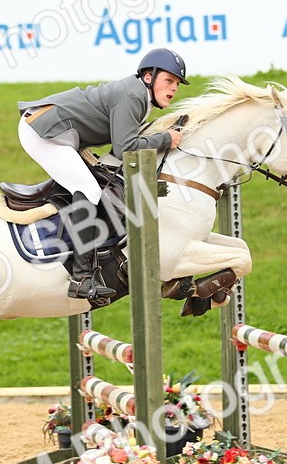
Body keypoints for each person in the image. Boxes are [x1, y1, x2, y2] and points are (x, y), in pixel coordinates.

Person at [17, 48, 188, 300]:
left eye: (177, 83)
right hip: (43, 132)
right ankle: (82, 278)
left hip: (61, 133)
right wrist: (165, 138)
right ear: (149, 78)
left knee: (95, 182)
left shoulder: (137, 95)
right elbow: (124, 149)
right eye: (169, 80)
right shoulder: (133, 96)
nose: (174, 88)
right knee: (88, 189)